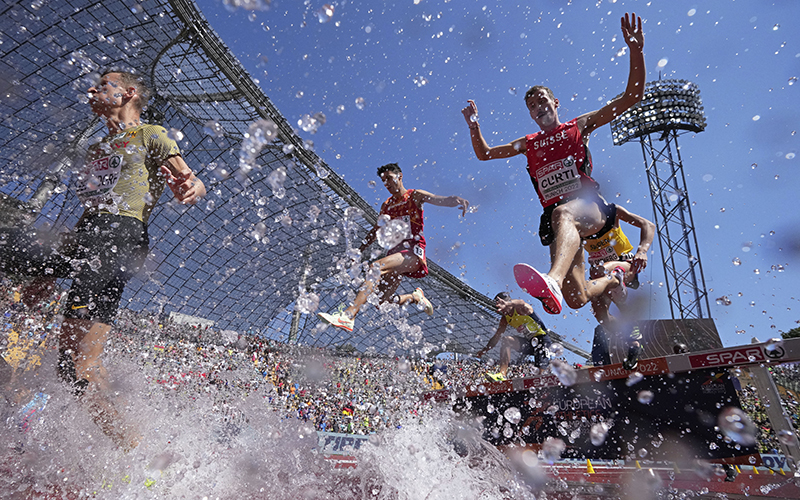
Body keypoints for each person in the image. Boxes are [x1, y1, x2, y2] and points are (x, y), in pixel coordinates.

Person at [0, 70, 206, 451]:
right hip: (91, 236)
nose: (92, 90)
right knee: (72, 368)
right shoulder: (99, 149)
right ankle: (137, 445)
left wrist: (191, 186)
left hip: (120, 236)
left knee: (78, 364)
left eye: (103, 85)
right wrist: (54, 269)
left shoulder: (151, 134)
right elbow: (92, 210)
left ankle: (136, 450)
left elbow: (192, 179)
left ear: (127, 93)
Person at [461, 13, 645, 315]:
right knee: (576, 298)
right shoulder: (528, 143)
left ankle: (553, 279)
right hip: (558, 220)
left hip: (589, 207)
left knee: (563, 214)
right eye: (533, 106)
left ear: (555, 103)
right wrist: (473, 126)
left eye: (543, 100)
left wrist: (635, 50)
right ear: (531, 114)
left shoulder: (579, 125)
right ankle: (612, 282)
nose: (539, 107)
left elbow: (632, 96)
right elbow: (485, 153)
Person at [318, 163, 469, 332]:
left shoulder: (414, 196)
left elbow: (435, 198)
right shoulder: (387, 205)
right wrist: (359, 250)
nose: (387, 184)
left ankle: (348, 316)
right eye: (384, 181)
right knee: (380, 301)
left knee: (375, 267)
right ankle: (414, 297)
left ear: (400, 176)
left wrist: (454, 200)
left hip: (412, 252)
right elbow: (376, 230)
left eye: (389, 179)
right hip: (395, 255)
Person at [585, 204, 654, 370]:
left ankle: (620, 291)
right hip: (599, 277)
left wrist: (642, 250)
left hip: (625, 264)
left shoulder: (611, 211)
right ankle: (632, 341)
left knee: (601, 269)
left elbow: (648, 225)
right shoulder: (575, 225)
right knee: (600, 316)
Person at [476, 292, 552, 382]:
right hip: (529, 343)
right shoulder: (505, 318)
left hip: (542, 341)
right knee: (506, 340)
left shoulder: (521, 309)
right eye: (499, 307)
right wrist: (484, 350)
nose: (502, 310)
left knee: (540, 375)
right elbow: (497, 336)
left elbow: (522, 302)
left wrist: (507, 304)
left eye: (503, 305)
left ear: (509, 303)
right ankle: (502, 374)